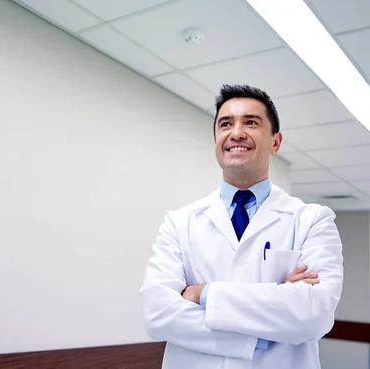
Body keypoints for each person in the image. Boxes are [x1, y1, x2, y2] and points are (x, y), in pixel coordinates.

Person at [140, 84, 344, 369]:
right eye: (226, 124)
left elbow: (314, 314)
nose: (236, 133)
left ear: (276, 141)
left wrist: (203, 294)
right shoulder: (179, 222)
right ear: (216, 140)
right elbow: (157, 313)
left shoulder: (312, 220)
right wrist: (258, 331)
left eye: (251, 122)